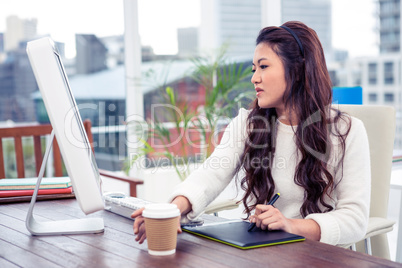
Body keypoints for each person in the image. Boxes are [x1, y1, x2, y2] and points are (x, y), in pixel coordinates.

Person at [132, 21, 371, 246]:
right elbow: (211, 173)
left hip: (318, 256)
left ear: (297, 71)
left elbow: (355, 220)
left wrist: (291, 225)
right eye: (254, 68)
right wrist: (173, 209)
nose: (254, 78)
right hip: (263, 251)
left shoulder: (346, 132)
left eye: (264, 67)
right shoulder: (248, 123)